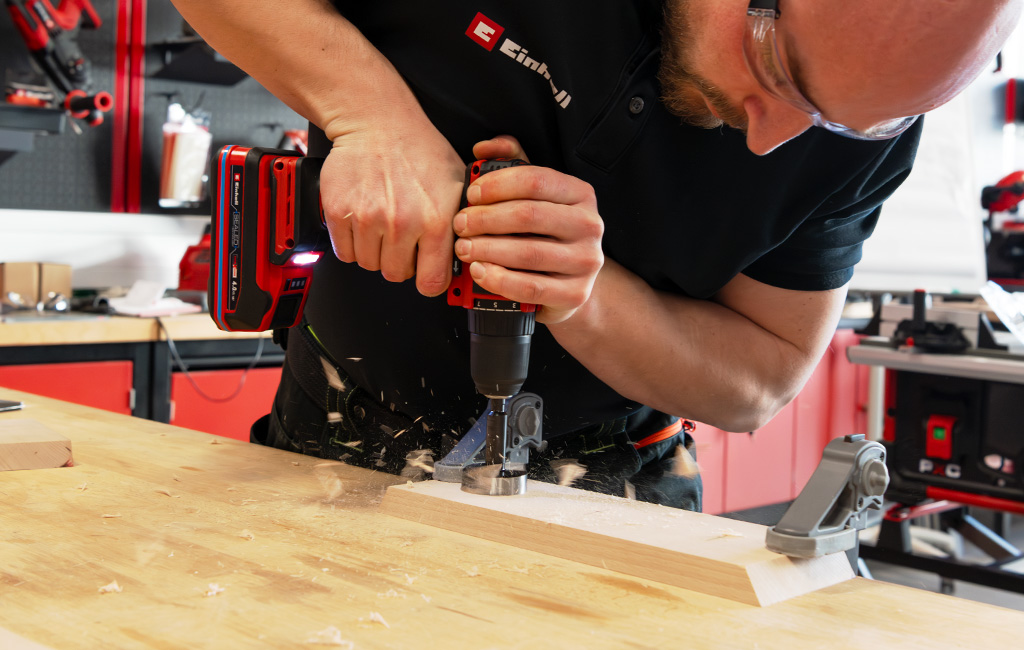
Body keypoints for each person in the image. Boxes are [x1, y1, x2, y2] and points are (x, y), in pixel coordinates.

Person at [171, 0, 1020, 510]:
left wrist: (586, 296)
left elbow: (763, 376)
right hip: (335, 428)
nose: (770, 139)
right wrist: (370, 116)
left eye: (838, 121)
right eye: (776, 68)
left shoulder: (864, 137)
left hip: (617, 476)